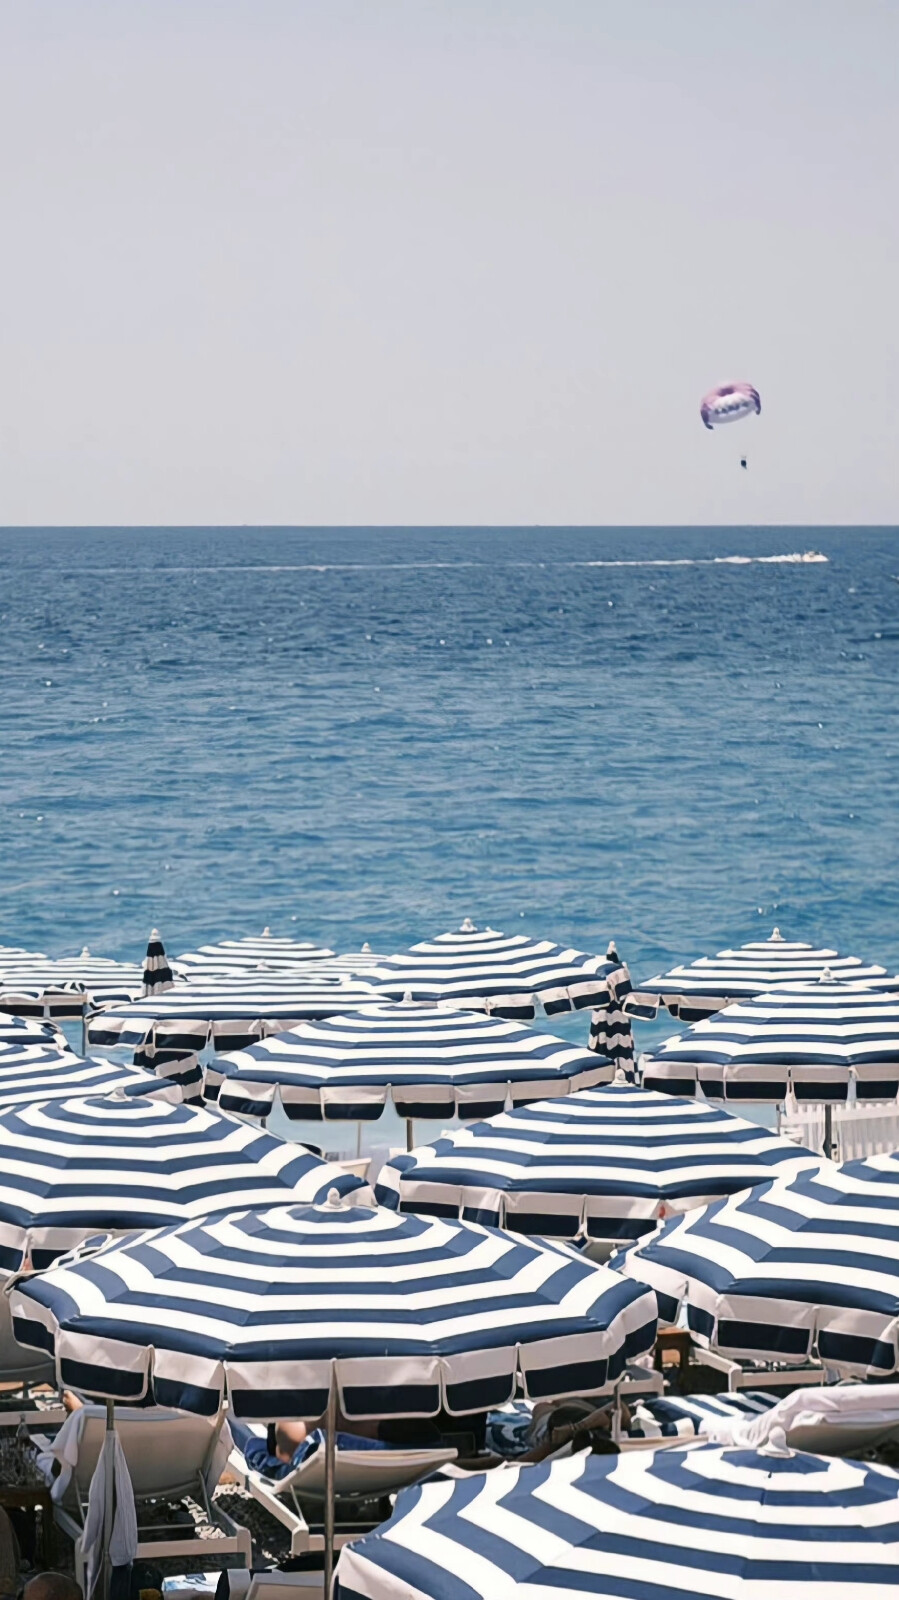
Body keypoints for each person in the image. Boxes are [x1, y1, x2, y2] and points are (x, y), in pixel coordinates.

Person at [229, 1416, 389, 1481]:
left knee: (257, 1447)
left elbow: (283, 1455)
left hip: (320, 1465)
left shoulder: (314, 1442)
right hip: (392, 1469)